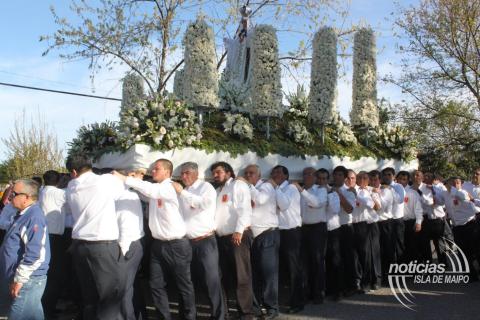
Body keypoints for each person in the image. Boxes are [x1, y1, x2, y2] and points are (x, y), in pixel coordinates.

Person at [113, 159, 196, 320]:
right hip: (158, 245)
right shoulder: (156, 189)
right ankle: (164, 317)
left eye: (156, 169)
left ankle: (189, 317)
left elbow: (150, 190)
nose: (153, 171)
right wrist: (134, 179)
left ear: (167, 172)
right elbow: (144, 193)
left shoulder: (169, 187)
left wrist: (123, 178)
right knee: (155, 285)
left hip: (177, 245)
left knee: (184, 285)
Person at [65, 155, 126, 320]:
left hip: (79, 246)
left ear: (73, 172)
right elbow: (122, 190)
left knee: (89, 297)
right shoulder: (106, 181)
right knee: (109, 298)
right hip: (101, 247)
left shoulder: (71, 186)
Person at [172, 162, 224, 320]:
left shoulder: (205, 187)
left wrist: (182, 193)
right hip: (187, 243)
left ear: (196, 173)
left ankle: (219, 316)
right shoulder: (184, 191)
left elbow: (205, 204)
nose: (183, 176)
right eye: (182, 174)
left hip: (205, 241)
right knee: (188, 281)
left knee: (211, 280)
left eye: (186, 173)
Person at [0, 179, 50, 320]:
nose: (10, 196)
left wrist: (20, 279)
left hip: (28, 280)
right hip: (18, 277)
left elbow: (36, 254)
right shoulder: (22, 214)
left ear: (27, 197)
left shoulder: (34, 217)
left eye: (14, 193)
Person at [211, 161, 254, 320]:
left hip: (238, 236)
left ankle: (246, 314)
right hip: (221, 238)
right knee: (224, 276)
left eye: (218, 172)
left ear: (229, 173)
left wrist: (239, 230)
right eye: (214, 173)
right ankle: (225, 313)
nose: (215, 175)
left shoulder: (237, 185)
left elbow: (245, 209)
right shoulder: (217, 191)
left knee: (241, 277)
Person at [243, 164, 279, 318]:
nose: (248, 175)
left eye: (251, 173)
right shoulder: (248, 188)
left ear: (259, 175)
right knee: (255, 273)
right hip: (253, 235)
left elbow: (261, 200)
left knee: (268, 273)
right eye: (246, 173)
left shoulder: (266, 186)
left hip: (267, 234)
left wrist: (249, 186)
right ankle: (257, 307)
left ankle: (272, 308)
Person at [270, 165, 304, 314]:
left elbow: (283, 206)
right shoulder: (274, 188)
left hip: (291, 232)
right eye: (274, 172)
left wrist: (275, 188)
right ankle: (287, 298)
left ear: (286, 175)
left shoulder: (290, 188)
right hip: (278, 231)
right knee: (282, 268)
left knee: (293, 268)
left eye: (278, 172)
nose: (275, 175)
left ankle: (297, 301)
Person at [293, 167, 328, 304]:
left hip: (317, 228)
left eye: (311, 174)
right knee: (304, 262)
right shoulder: (298, 191)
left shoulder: (321, 190)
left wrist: (302, 191)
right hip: (303, 228)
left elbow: (317, 203)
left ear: (315, 177)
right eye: (305, 174)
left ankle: (318, 293)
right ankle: (306, 292)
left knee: (317, 261)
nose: (307, 176)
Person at [39, 170, 69, 319]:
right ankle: (48, 309)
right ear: (58, 181)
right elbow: (71, 207)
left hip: (42, 236)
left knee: (46, 273)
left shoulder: (41, 191)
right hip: (54, 239)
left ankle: (45, 307)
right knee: (55, 275)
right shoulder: (59, 194)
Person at [115, 169, 145, 320]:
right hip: (130, 244)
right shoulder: (125, 195)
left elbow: (126, 225)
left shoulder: (125, 196)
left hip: (127, 245)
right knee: (130, 286)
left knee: (124, 288)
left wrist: (122, 250)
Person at [447, 177, 478, 281]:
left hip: (469, 225)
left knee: (473, 250)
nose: (456, 184)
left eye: (458, 183)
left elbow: (460, 195)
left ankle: (473, 272)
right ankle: (468, 274)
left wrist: (445, 183)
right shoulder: (448, 195)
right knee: (462, 251)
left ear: (461, 184)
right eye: (453, 183)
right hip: (457, 227)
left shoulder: (463, 193)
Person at [332, 166, 357, 295]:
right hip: (333, 228)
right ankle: (337, 287)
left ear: (345, 178)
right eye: (335, 174)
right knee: (335, 258)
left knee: (347, 257)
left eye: (340, 175)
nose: (337, 177)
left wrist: (339, 195)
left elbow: (349, 209)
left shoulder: (349, 192)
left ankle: (351, 286)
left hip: (345, 227)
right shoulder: (329, 190)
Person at [369, 170, 394, 285]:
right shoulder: (367, 190)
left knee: (387, 250)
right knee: (375, 251)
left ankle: (389, 277)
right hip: (373, 223)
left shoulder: (386, 190)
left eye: (376, 179)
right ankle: (377, 278)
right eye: (372, 179)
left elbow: (383, 207)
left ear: (380, 180)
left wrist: (377, 193)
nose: (374, 182)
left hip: (385, 223)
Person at [396, 171, 423, 263]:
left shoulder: (412, 192)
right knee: (401, 247)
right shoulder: (392, 191)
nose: (401, 181)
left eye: (404, 179)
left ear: (407, 181)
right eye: (399, 179)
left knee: (413, 246)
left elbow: (418, 209)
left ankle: (417, 270)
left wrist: (418, 222)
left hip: (410, 223)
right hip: (398, 223)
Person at [381, 167, 406, 265]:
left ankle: (401, 268)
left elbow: (400, 200)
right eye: (385, 175)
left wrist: (390, 189)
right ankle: (391, 268)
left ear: (393, 176)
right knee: (388, 245)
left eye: (389, 174)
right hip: (387, 220)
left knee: (399, 244)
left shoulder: (398, 186)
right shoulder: (381, 187)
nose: (387, 177)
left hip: (397, 219)